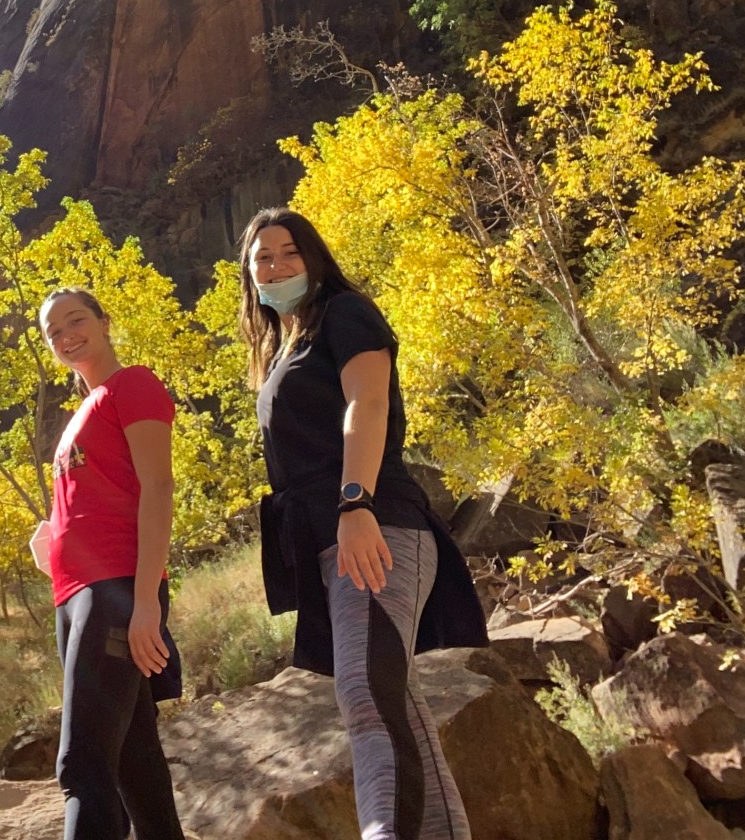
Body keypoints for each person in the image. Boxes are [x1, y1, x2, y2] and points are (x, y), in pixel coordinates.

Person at [238, 208, 486, 840]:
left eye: (288, 252)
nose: (275, 266)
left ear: (314, 257)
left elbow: (366, 403)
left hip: (377, 527)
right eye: (261, 258)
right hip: (327, 540)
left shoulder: (344, 313)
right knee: (391, 697)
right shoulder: (285, 345)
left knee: (365, 691)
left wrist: (355, 505)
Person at [29, 289, 186, 840]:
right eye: (55, 332)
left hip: (116, 591)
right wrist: (52, 542)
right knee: (134, 764)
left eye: (77, 321)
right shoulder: (82, 412)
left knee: (82, 764)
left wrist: (146, 604)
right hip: (73, 596)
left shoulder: (132, 385)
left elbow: (158, 486)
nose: (67, 335)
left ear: (104, 321)